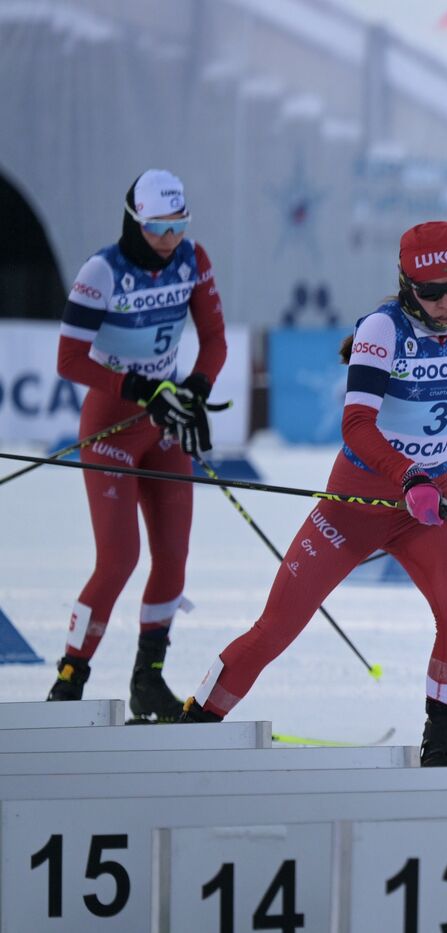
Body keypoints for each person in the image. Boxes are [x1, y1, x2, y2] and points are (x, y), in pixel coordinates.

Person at [180, 221, 447, 767]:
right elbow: (357, 424)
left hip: (426, 505)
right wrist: (408, 476)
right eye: (432, 292)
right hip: (357, 503)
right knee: (277, 629)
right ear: (407, 285)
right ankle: (193, 725)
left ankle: (439, 743)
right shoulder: (383, 330)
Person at [47, 169, 226, 722]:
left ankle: (148, 679)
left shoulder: (193, 260)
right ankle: (70, 681)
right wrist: (143, 389)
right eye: (156, 228)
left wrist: (194, 392)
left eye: (178, 226)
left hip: (165, 421)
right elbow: (69, 360)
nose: (168, 240)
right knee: (119, 559)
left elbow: (215, 341)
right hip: (113, 424)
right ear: (134, 221)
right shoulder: (103, 270)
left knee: (173, 558)